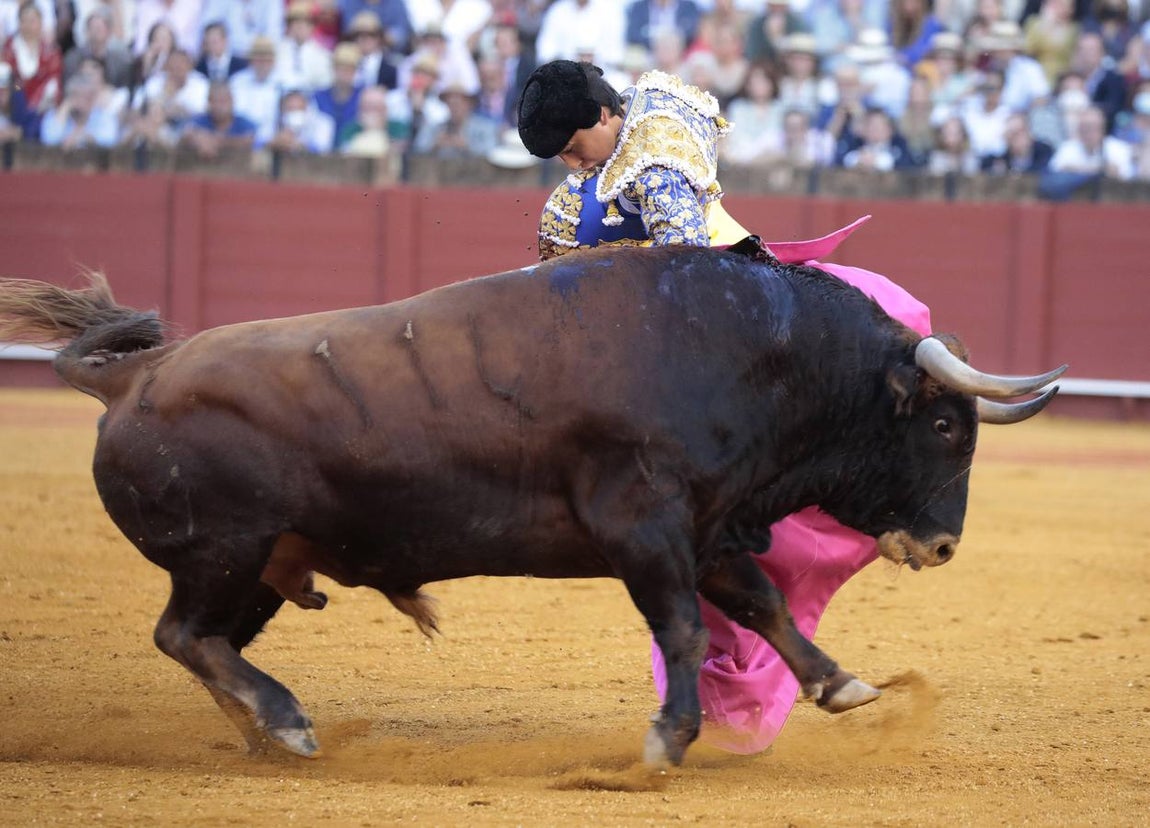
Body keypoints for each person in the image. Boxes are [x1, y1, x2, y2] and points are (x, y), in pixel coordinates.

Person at [516, 59, 932, 754]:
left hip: (741, 343)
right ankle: (727, 692)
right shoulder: (570, 199)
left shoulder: (657, 152)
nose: (567, 162)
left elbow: (691, 280)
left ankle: (888, 516)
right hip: (653, 369)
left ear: (603, 118)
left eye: (570, 145)